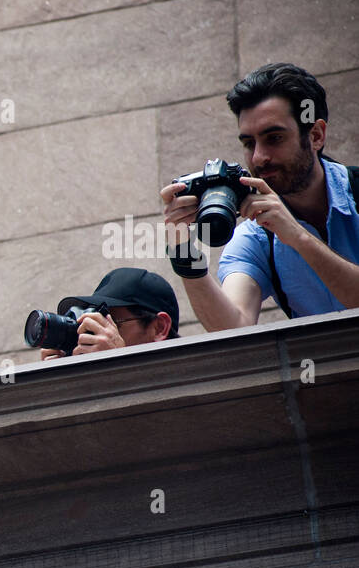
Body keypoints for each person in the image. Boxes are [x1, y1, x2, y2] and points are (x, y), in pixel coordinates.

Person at [161, 62, 359, 330]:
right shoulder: (256, 236)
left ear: (315, 135)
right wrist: (182, 250)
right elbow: (231, 331)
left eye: (274, 138)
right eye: (248, 143)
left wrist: (299, 237)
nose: (259, 157)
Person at [39, 267, 179, 360]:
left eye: (112, 323)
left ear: (159, 328)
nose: (100, 337)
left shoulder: (193, 377)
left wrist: (117, 361)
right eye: (95, 324)